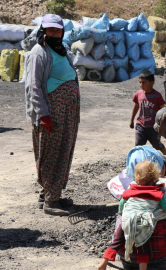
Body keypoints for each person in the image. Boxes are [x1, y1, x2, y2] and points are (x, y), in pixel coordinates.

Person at [25, 14, 79, 216]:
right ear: (43, 31)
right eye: (51, 30)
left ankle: (47, 194)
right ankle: (51, 201)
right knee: (52, 154)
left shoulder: (61, 50)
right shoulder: (39, 52)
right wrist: (43, 114)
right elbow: (33, 87)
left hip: (67, 112)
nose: (56, 34)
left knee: (63, 150)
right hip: (52, 114)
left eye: (58, 30)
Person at [130, 70, 166, 155]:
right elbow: (136, 106)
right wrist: (132, 120)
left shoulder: (157, 95)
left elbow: (163, 109)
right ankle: (136, 160)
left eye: (144, 82)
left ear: (152, 83)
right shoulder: (138, 94)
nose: (141, 85)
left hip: (153, 127)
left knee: (157, 144)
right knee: (138, 145)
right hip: (141, 125)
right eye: (140, 82)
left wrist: (164, 123)